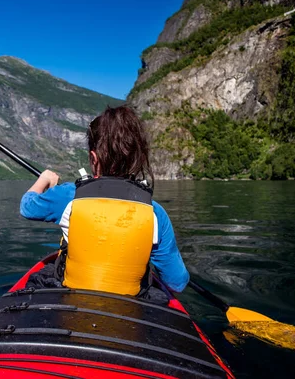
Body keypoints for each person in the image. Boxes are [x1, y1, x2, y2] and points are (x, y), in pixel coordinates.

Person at [20, 105, 189, 296]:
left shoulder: (69, 195)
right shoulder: (155, 212)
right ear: (138, 158)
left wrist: (45, 179)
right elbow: (177, 282)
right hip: (130, 305)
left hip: (74, 296)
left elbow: (27, 206)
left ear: (93, 158)